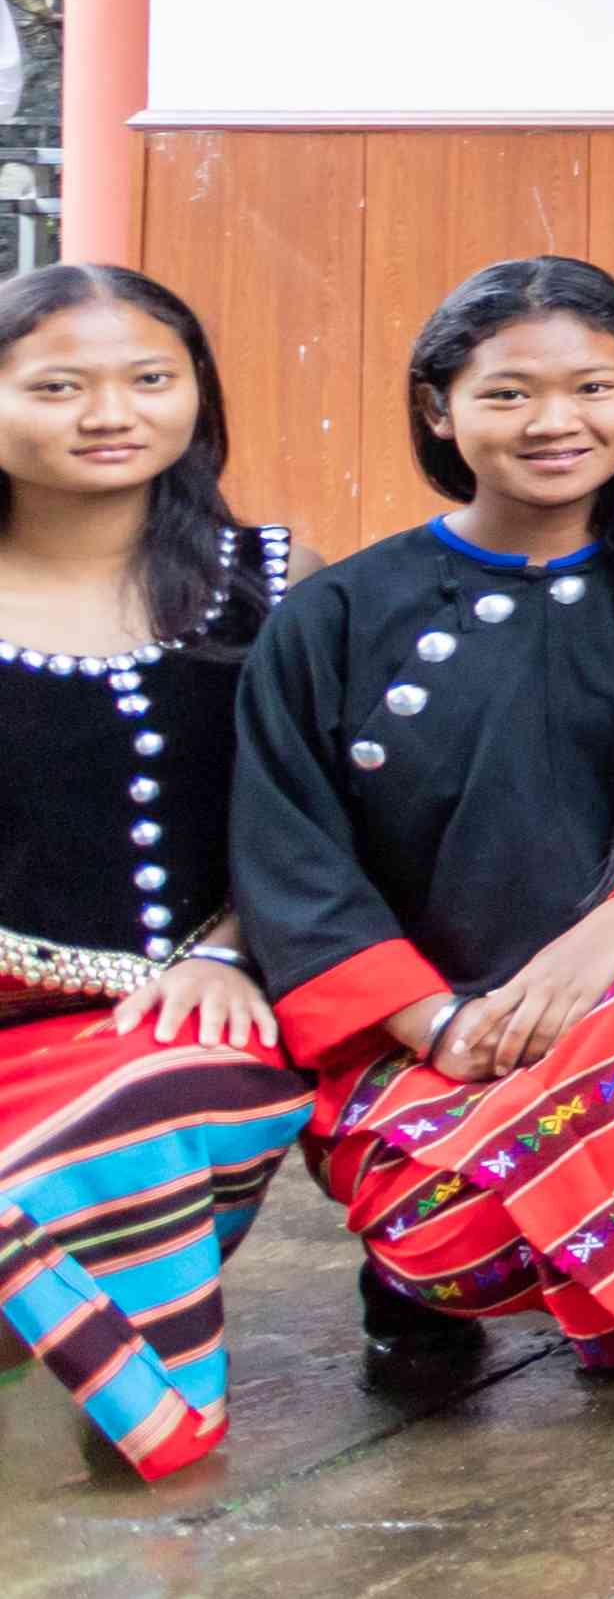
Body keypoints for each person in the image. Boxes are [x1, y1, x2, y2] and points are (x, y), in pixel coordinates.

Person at [231, 259, 614, 1383]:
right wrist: (438, 1023)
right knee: (438, 1233)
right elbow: (288, 849)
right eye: (508, 393)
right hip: (425, 1039)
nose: (556, 422)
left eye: (594, 386)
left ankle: (602, 1250)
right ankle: (578, 1258)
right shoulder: (338, 612)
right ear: (437, 408)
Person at [0, 267, 301, 1476]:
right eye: (56, 385)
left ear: (199, 393)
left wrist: (233, 947)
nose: (109, 411)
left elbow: (331, 814)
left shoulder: (274, 579)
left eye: (149, 377)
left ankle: (122, 1378)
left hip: (197, 1004)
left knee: (157, 1096)